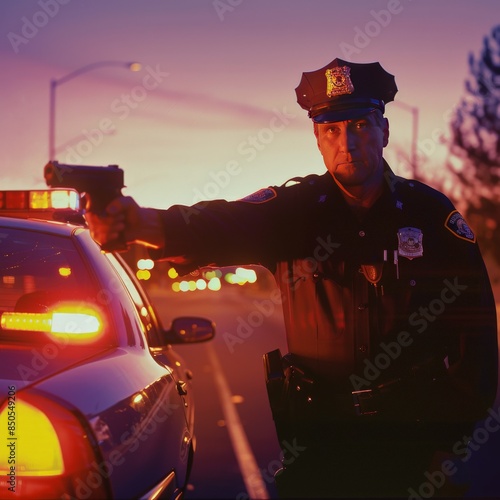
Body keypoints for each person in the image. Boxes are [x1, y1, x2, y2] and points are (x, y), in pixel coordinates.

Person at [85, 58, 498, 498]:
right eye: (331, 130)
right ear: (317, 139)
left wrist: (448, 442)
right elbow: (221, 222)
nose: (348, 144)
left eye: (360, 125)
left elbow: (475, 339)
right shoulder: (296, 211)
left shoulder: (430, 216)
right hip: (319, 448)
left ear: (385, 131)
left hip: (410, 446)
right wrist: (140, 225)